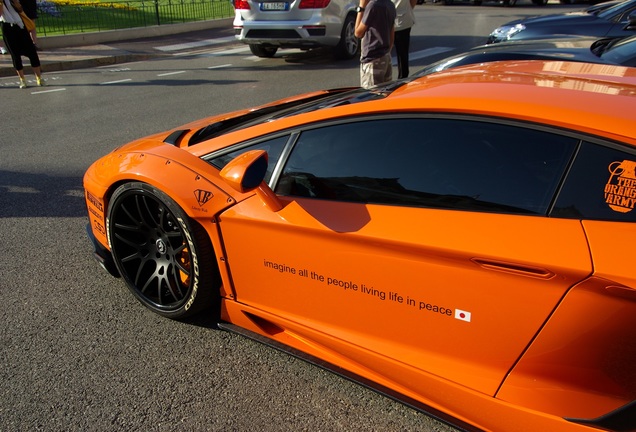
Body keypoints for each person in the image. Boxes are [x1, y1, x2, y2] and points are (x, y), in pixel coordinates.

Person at [0, 0, 44, 88]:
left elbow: (20, 9)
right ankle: (22, 80)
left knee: (32, 53)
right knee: (15, 54)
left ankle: (38, 78)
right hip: (7, 26)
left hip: (20, 25)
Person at [354, 0, 396, 89]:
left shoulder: (372, 6)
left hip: (372, 59)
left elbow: (358, 33)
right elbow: (392, 34)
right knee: (385, 94)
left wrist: (361, 7)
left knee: (370, 96)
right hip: (385, 56)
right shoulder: (390, 5)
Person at [392, 0, 416, 78]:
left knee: (402, 54)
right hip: (400, 18)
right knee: (401, 54)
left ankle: (402, 80)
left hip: (401, 22)